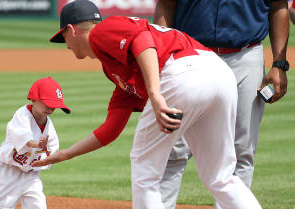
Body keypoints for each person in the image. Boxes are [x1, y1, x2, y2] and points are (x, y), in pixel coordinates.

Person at [32, 0, 263, 208]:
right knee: (220, 177)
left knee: (145, 171)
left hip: (183, 71)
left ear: (71, 30)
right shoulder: (117, 71)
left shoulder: (101, 31)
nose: (66, 45)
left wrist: (155, 94)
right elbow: (110, 130)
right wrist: (65, 155)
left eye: (64, 38)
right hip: (219, 74)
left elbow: (143, 40)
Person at [153, 0, 290, 209]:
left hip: (245, 56)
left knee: (240, 149)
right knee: (173, 147)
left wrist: (280, 63)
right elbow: (165, 5)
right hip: (189, 54)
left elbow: (279, 7)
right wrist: (162, 61)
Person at [0, 77, 70, 209]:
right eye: (47, 104)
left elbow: (52, 148)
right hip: (8, 172)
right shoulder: (22, 115)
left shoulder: (49, 125)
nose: (51, 108)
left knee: (38, 206)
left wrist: (46, 159)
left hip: (31, 175)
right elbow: (23, 136)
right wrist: (37, 145)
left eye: (54, 106)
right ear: (34, 99)